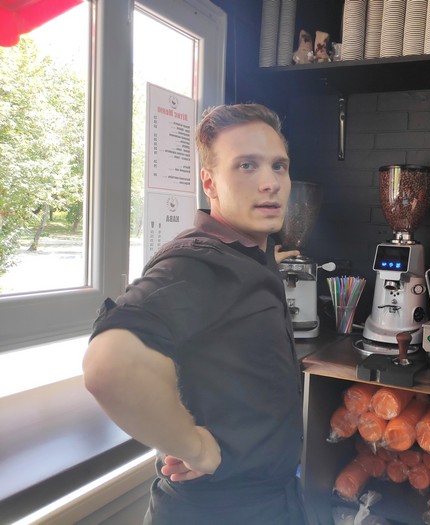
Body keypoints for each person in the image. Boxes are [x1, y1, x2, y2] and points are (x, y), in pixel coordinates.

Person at [83, 103, 309, 524]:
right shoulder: (199, 263)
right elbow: (110, 365)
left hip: (269, 501)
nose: (270, 183)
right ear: (210, 183)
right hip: (219, 512)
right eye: (246, 165)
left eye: (278, 166)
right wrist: (196, 446)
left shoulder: (249, 254)